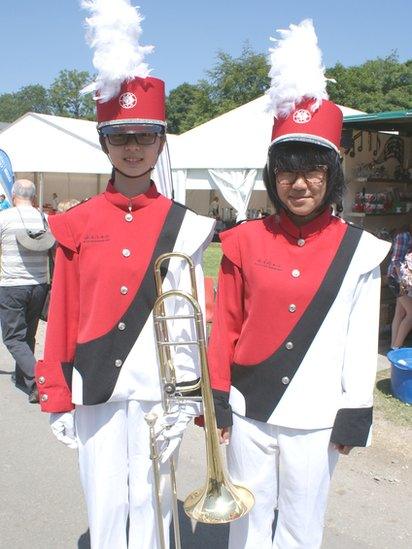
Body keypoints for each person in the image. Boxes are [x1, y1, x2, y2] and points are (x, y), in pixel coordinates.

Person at [35, 3, 214, 548]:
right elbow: (61, 311)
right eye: (120, 137)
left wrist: (189, 399)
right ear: (104, 142)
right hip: (96, 387)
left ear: (161, 141)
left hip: (162, 390)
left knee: (156, 507)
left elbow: (192, 320)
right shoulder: (76, 223)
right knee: (107, 505)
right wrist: (55, 392)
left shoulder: (189, 226)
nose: (133, 148)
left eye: (145, 136)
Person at [207, 20, 391, 549]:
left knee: (301, 528)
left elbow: (360, 343)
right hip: (249, 409)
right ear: (273, 176)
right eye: (287, 171)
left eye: (313, 170)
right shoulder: (241, 241)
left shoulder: (361, 251)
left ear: (331, 174)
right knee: (248, 522)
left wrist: (356, 410)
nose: (300, 183)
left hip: (316, 416)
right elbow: (226, 328)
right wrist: (217, 398)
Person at [0, 179, 51, 402]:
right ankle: (27, 382)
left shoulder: (4, 217)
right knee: (27, 335)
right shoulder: (44, 218)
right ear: (34, 197)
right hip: (39, 285)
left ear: (13, 195)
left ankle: (40, 380)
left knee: (13, 338)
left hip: (11, 284)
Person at [391, 251, 412, 348]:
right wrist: (401, 281)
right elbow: (396, 260)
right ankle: (397, 346)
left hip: (401, 282)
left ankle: (393, 346)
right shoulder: (403, 236)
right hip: (401, 283)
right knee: (411, 314)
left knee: (399, 313)